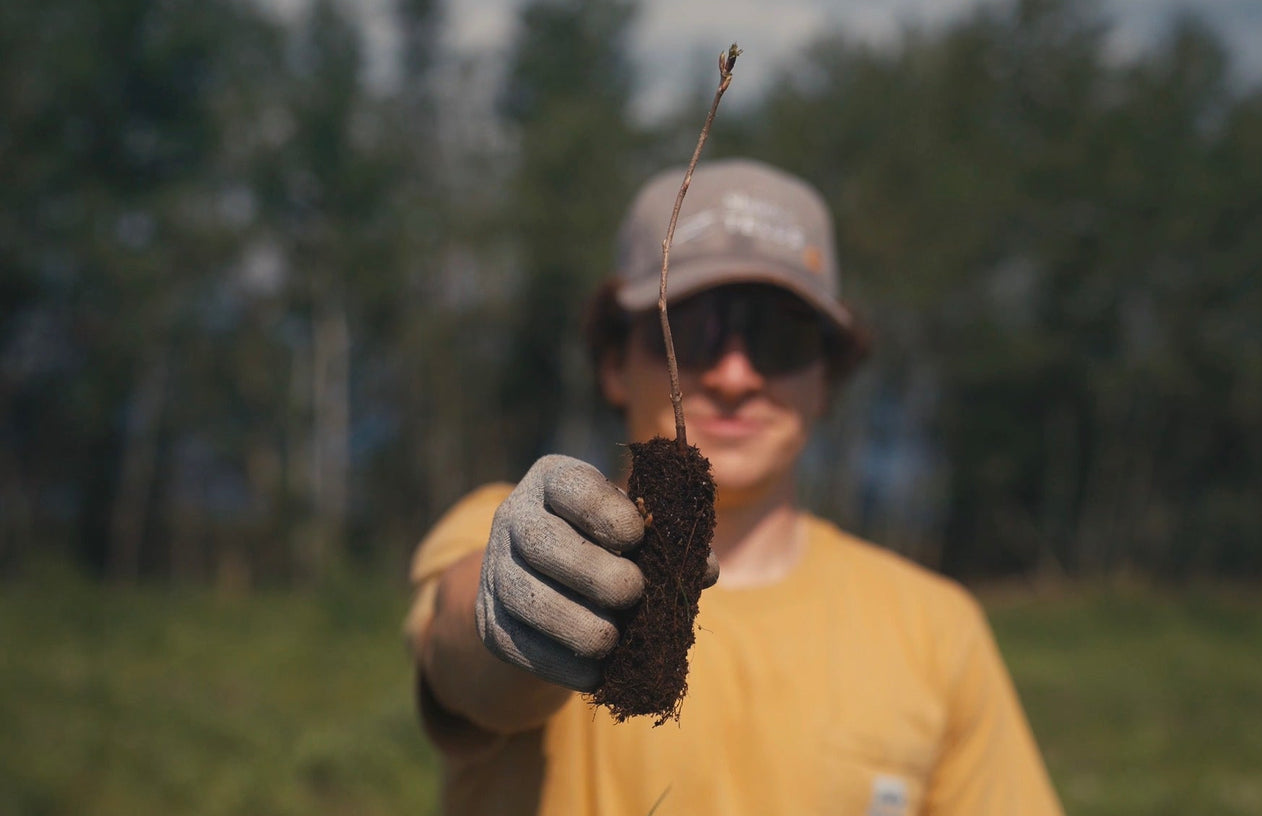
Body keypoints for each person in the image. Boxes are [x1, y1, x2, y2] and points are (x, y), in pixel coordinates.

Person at [404, 158, 1064, 815]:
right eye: (690, 333)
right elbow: (464, 665)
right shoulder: (506, 527)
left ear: (827, 380)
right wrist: (513, 604)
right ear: (612, 364)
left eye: (779, 339)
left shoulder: (934, 628)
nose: (734, 375)